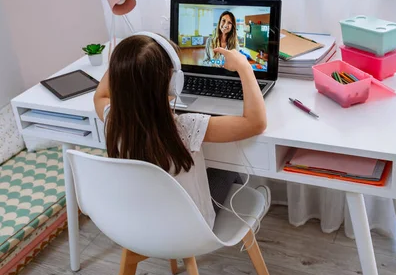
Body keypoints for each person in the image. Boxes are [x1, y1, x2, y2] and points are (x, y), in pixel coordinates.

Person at [94, 34, 267, 229]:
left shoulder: (112, 121)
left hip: (140, 227)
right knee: (228, 168)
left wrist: (124, 65)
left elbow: (100, 94)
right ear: (173, 84)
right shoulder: (187, 127)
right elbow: (256, 122)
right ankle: (255, 201)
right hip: (193, 230)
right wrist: (244, 67)